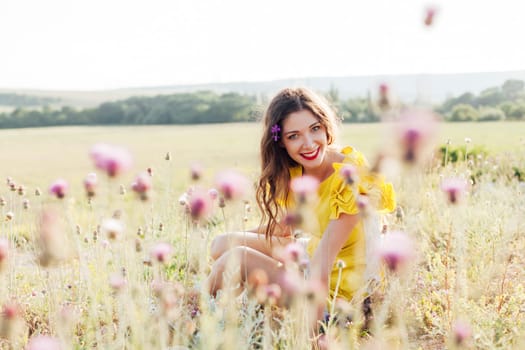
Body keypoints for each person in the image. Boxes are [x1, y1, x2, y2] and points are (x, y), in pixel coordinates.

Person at [206, 87, 396, 334]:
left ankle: (193, 314)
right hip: (308, 260)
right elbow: (287, 229)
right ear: (281, 142)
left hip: (341, 298)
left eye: (314, 128)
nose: (308, 144)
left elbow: (320, 270)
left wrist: (315, 336)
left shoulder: (349, 179)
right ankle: (228, 309)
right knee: (221, 244)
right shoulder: (296, 172)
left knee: (236, 257)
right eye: (294, 135)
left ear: (326, 125)